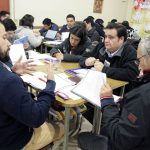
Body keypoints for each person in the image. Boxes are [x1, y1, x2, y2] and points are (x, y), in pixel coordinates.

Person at [78, 37, 150, 150]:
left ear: (121, 40)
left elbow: (120, 139)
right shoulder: (100, 47)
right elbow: (82, 58)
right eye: (105, 36)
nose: (106, 40)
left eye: (111, 37)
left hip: (123, 141)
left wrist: (108, 101)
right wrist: (86, 61)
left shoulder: (129, 52)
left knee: (85, 135)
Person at [0, 23, 63, 150]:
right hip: (14, 140)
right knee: (62, 126)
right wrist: (50, 84)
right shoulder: (8, 81)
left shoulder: (6, 77)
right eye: (4, 37)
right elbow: (36, 117)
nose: (9, 43)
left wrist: (11, 71)